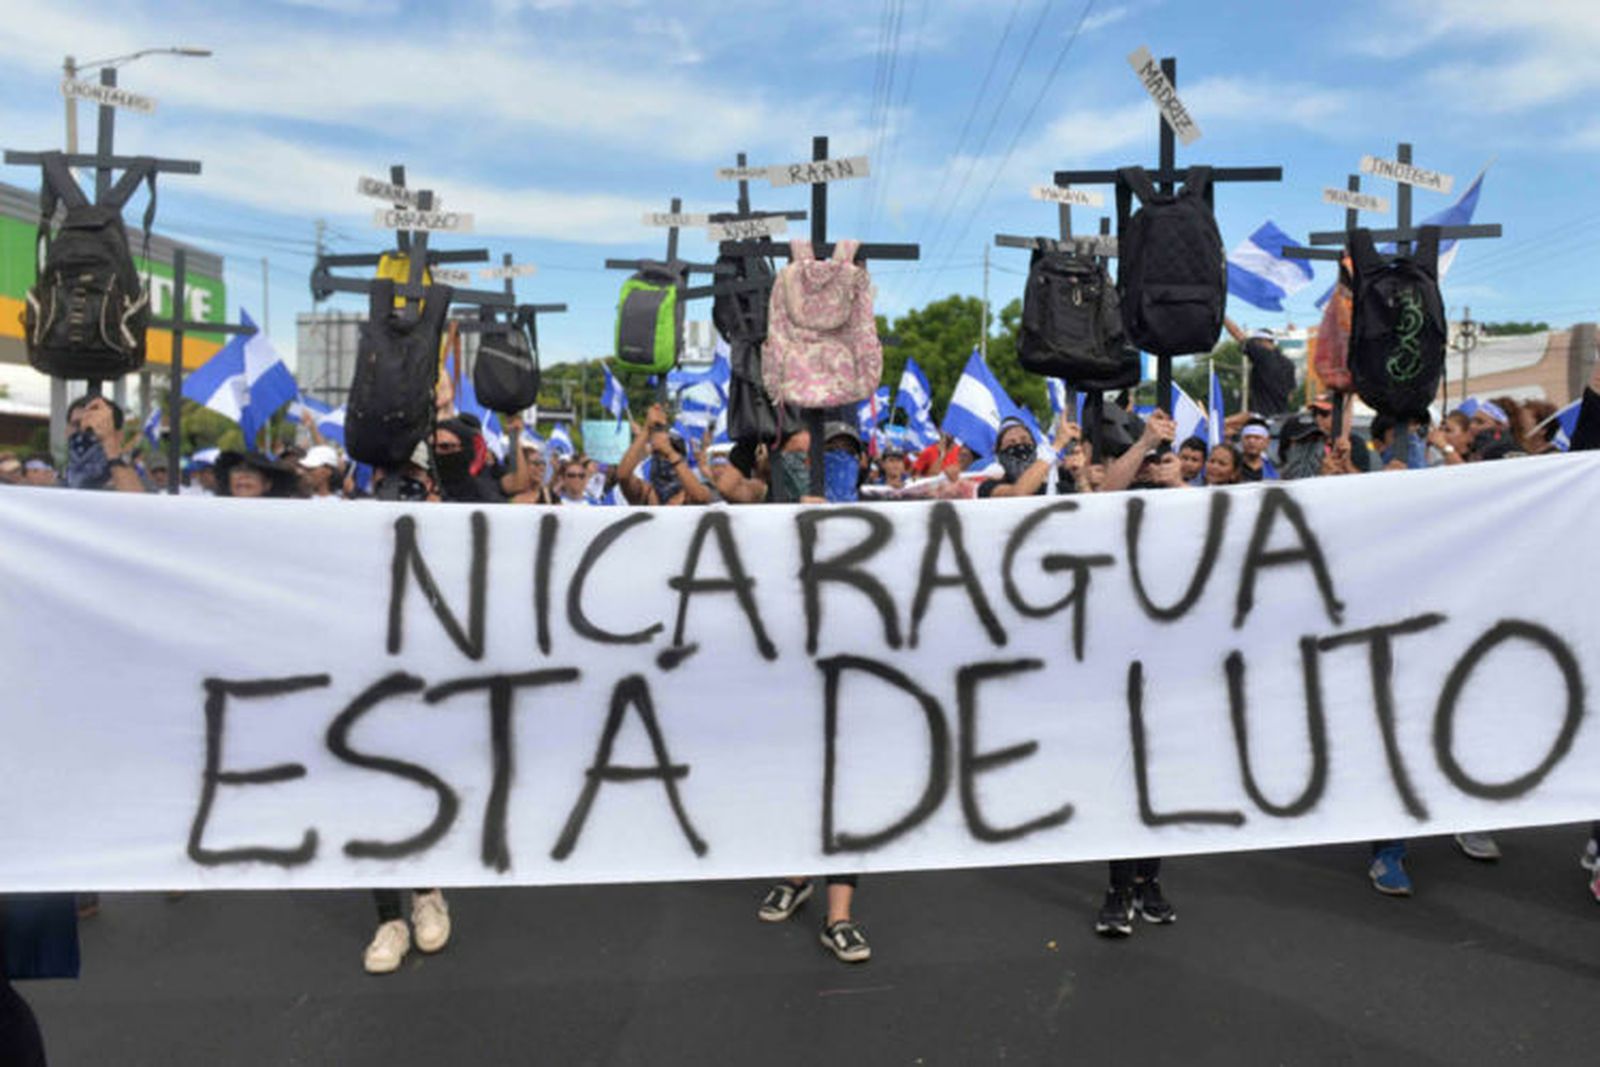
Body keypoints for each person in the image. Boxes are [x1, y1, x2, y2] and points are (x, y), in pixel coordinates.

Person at [757, 416, 871, 964]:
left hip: (855, 681)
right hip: (794, 677)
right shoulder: (777, 516)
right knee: (797, 782)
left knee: (846, 791)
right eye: (828, 454)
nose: (836, 462)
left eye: (847, 453)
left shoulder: (885, 518)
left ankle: (839, 917)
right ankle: (796, 875)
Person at [616, 405, 710, 506]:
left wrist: (670, 453)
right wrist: (647, 429)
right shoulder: (647, 495)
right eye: (659, 453)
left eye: (675, 450)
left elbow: (700, 498)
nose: (664, 459)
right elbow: (623, 476)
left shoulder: (690, 495)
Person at [64, 394, 143, 493]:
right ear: (66, 432)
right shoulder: (53, 488)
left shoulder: (140, 484)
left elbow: (135, 500)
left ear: (119, 436)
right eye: (77, 424)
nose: (83, 430)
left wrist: (111, 447)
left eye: (94, 426)